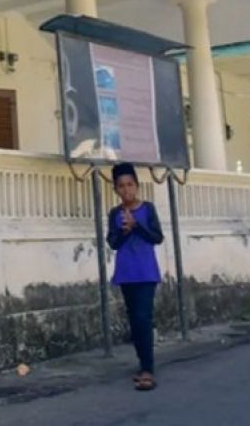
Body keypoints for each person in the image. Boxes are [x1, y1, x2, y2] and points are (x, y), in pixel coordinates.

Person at [107, 162, 164, 391]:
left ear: (137, 186)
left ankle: (148, 369)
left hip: (146, 271)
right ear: (116, 190)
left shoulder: (147, 209)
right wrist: (124, 230)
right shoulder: (114, 213)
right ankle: (142, 364)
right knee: (134, 320)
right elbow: (112, 242)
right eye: (121, 186)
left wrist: (137, 226)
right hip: (126, 272)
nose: (126, 190)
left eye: (130, 184)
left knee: (143, 318)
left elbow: (157, 237)